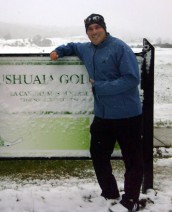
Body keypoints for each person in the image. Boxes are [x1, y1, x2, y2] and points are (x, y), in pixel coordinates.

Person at [50, 14, 143, 212]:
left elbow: (131, 79)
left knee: (132, 160)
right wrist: (58, 51)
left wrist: (100, 87)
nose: (93, 32)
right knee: (98, 154)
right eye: (90, 29)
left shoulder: (120, 48)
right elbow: (74, 46)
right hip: (103, 116)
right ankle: (110, 192)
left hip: (128, 116)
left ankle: (131, 199)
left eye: (96, 28)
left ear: (104, 28)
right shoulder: (86, 48)